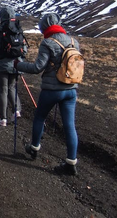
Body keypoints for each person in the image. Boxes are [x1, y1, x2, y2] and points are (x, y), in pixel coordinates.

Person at [15, 12, 79, 175]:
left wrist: (19, 65)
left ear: (45, 27)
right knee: (69, 126)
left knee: (40, 117)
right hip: (71, 90)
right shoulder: (74, 41)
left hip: (52, 90)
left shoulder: (48, 43)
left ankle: (34, 148)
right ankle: (71, 163)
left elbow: (37, 68)